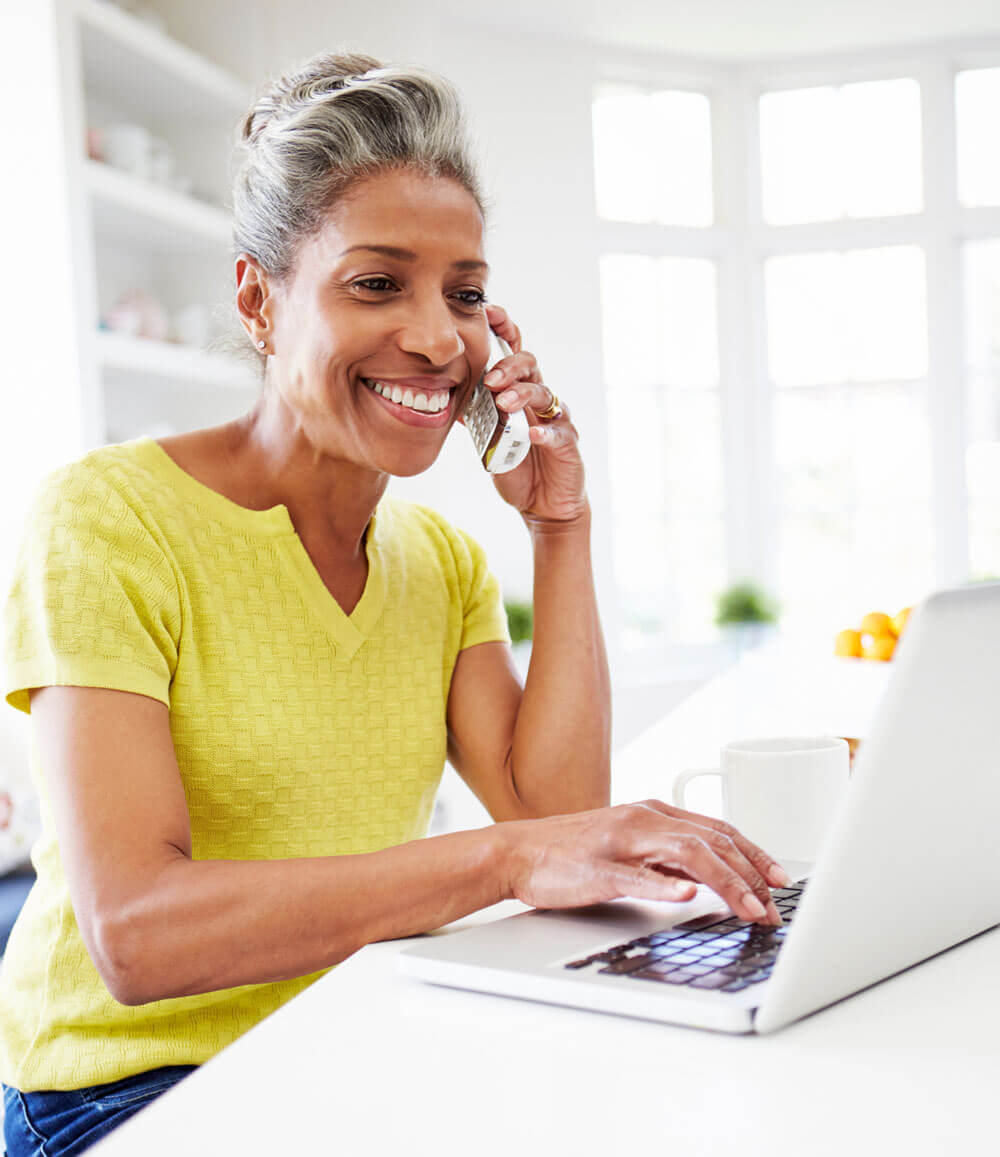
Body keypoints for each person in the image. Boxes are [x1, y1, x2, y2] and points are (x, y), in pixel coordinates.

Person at [0, 51, 789, 1156]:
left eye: (464, 293)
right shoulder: (106, 519)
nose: (437, 339)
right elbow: (136, 934)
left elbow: (546, 810)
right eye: (377, 284)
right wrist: (499, 864)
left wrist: (559, 529)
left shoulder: (441, 562)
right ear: (258, 297)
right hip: (123, 1091)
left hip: (341, 1040)